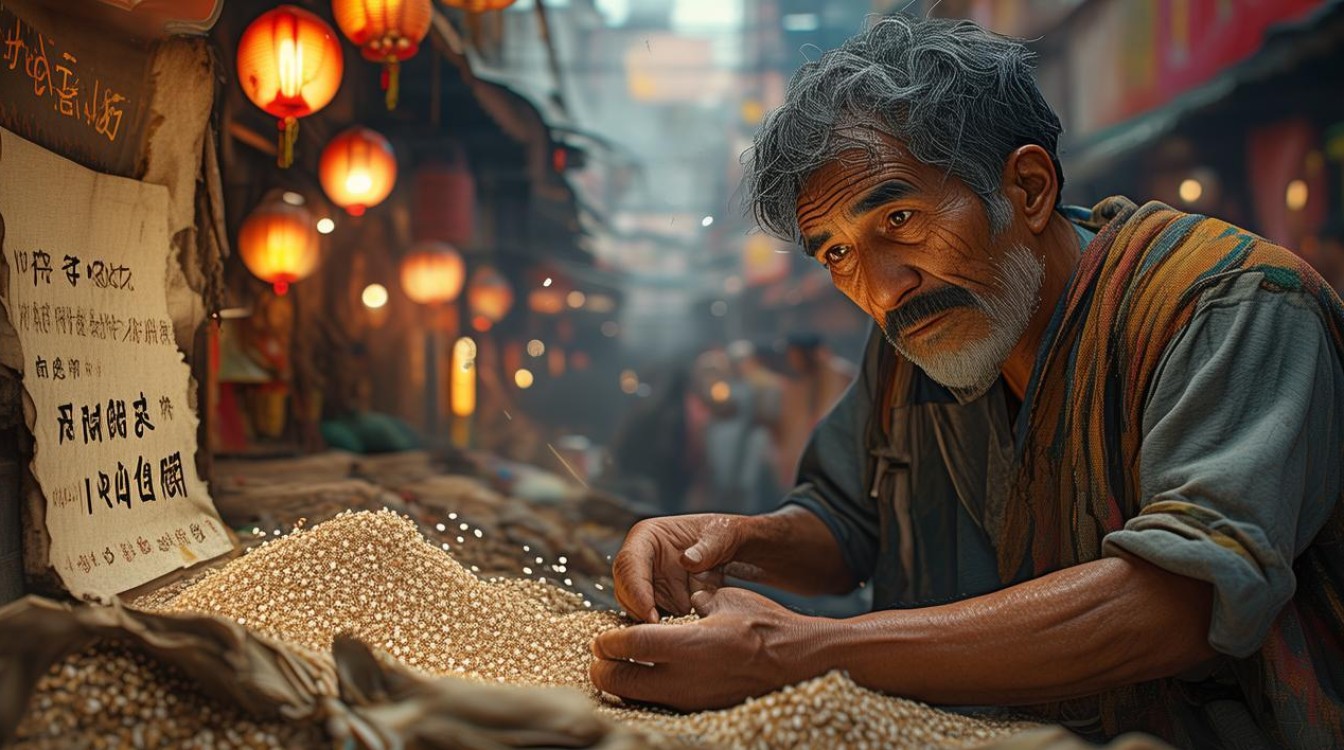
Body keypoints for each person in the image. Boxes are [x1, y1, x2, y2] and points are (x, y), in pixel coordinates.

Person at [589, 15, 1344, 749]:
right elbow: (847, 522)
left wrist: (800, 650)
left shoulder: (1229, 306)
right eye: (838, 254)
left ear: (1027, 187)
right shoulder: (918, 339)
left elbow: (1177, 599)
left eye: (900, 220)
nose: (882, 289)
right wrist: (728, 543)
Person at [776, 332, 857, 486]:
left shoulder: (840, 373)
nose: (792, 360)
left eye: (795, 354)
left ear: (807, 353)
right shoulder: (800, 381)